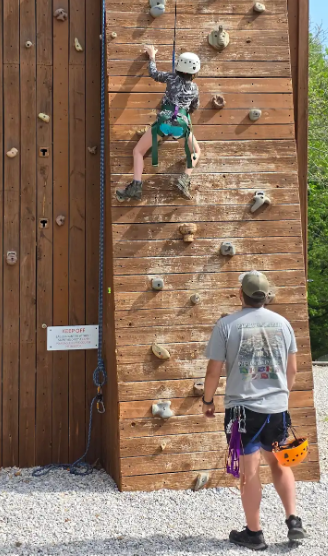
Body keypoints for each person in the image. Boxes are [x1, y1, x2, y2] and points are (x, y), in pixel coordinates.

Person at [203, 270, 307, 551]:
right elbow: (293, 369)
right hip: (276, 409)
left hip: (241, 412)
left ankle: (254, 533)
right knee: (279, 463)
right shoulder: (283, 324)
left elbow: (213, 371)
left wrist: (208, 400)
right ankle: (293, 520)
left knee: (249, 472)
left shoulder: (226, 325)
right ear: (266, 296)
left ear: (241, 294)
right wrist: (281, 397)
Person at [116, 45, 201, 202]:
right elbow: (194, 107)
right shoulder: (195, 88)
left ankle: (136, 186)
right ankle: (184, 179)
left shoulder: (171, 78)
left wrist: (152, 56)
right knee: (196, 151)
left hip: (164, 122)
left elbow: (154, 74)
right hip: (181, 125)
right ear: (195, 71)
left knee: (138, 152)